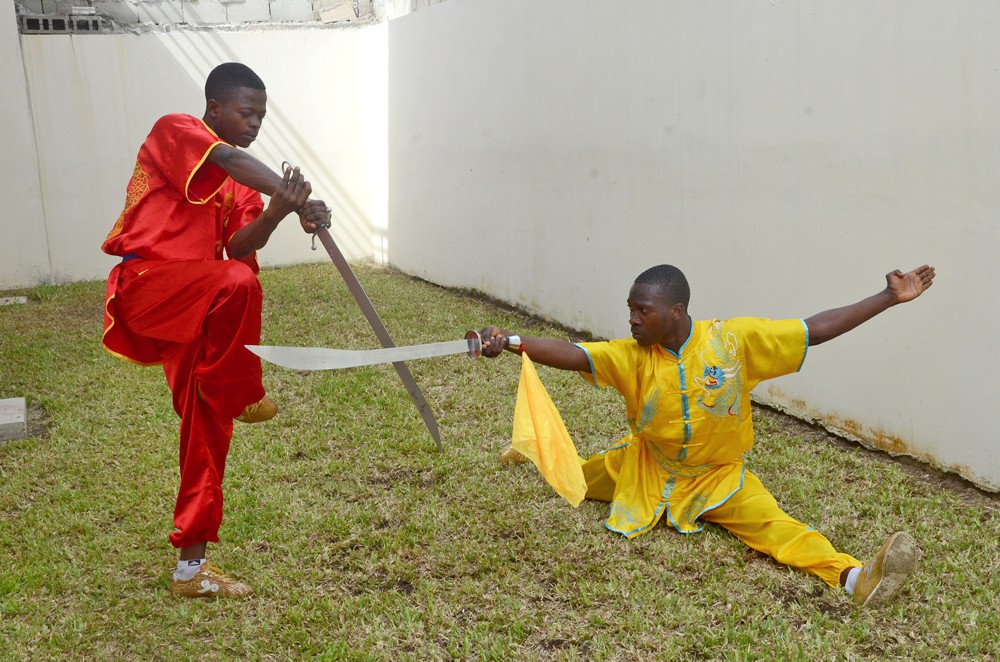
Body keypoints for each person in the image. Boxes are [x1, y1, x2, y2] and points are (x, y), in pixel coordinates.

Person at [480, 263, 935, 607]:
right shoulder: (630, 355)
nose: (632, 320)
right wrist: (513, 342)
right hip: (643, 468)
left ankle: (856, 578)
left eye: (643, 311)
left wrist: (887, 297)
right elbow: (575, 354)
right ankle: (531, 450)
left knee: (776, 526)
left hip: (718, 477)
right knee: (574, 477)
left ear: (675, 312)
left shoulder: (734, 341)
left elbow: (812, 331)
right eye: (630, 309)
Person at [101, 62, 330, 598]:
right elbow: (226, 159)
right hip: (149, 286)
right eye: (247, 113)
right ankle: (243, 392)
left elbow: (240, 244)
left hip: (199, 304)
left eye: (261, 117)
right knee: (238, 283)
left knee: (206, 426)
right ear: (214, 108)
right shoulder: (177, 130)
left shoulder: (242, 183)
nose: (255, 124)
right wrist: (295, 194)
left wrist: (278, 212)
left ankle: (191, 569)